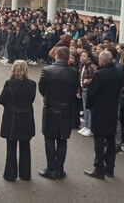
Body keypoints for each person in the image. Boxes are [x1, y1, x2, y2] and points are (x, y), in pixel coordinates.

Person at [38, 46, 80, 180]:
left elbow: (42, 88)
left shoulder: (47, 70)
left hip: (50, 108)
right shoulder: (74, 72)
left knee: (49, 139)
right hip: (67, 109)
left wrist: (49, 98)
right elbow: (75, 89)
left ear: (56, 55)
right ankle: (60, 169)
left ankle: (51, 168)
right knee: (62, 140)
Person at [83, 51, 124, 179]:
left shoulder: (99, 74)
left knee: (99, 140)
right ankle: (110, 168)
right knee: (111, 140)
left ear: (102, 60)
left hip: (100, 110)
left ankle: (99, 168)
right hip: (112, 109)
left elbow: (92, 93)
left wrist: (89, 106)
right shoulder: (119, 73)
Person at [0, 60, 36, 182]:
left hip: (12, 117)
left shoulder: (9, 83)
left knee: (11, 146)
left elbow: (2, 100)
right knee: (25, 146)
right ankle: (25, 174)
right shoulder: (32, 84)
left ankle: (10, 174)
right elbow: (31, 99)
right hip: (26, 117)